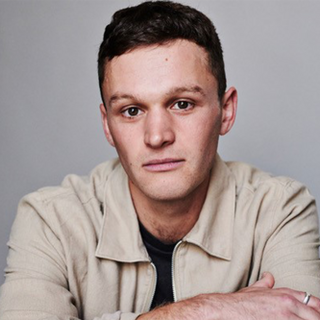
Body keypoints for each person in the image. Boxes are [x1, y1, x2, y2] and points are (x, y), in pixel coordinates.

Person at [1, 1, 320, 319]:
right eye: (132, 110)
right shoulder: (50, 221)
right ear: (107, 126)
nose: (157, 137)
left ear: (226, 111)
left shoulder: (281, 209)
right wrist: (207, 311)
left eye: (182, 104)